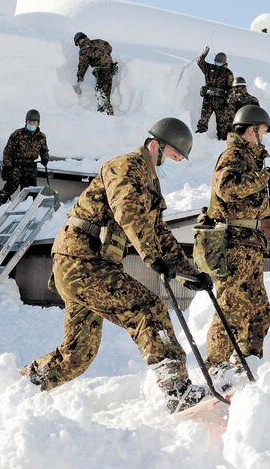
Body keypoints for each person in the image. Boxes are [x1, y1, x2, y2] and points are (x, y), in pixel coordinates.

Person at [20, 117, 212, 414]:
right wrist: (151, 256)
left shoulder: (150, 184)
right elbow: (127, 211)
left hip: (87, 265)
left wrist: (188, 274)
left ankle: (19, 387)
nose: (173, 164)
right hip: (81, 260)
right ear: (155, 145)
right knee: (148, 308)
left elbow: (158, 231)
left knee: (76, 356)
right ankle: (177, 391)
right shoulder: (124, 167)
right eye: (173, 156)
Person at [202, 105, 270, 387]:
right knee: (231, 310)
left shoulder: (250, 158)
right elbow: (226, 188)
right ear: (250, 130)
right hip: (234, 244)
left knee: (259, 311)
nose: (263, 137)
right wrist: (263, 177)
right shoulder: (234, 155)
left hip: (249, 245)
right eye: (262, 132)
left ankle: (246, 364)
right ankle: (216, 370)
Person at [0, 109, 49, 214]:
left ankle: (27, 212)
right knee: (10, 187)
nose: (31, 124)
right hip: (16, 166)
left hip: (30, 167)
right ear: (25, 122)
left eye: (34, 122)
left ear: (38, 123)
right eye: (29, 122)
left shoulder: (41, 137)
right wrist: (7, 166)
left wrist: (45, 158)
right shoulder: (17, 134)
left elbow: (44, 150)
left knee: (30, 191)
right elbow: (7, 151)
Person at [73, 32, 118, 116]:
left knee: (101, 94)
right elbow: (109, 48)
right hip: (111, 69)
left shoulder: (84, 50)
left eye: (77, 43)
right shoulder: (98, 41)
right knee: (105, 94)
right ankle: (107, 116)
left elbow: (83, 65)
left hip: (102, 71)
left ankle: (105, 116)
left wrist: (80, 77)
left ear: (80, 40)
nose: (78, 45)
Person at [195, 46, 233, 140]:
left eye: (219, 62)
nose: (217, 63)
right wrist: (204, 53)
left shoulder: (228, 73)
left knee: (222, 122)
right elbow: (199, 61)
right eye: (216, 61)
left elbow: (230, 89)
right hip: (208, 98)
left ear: (224, 62)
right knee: (203, 119)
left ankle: (222, 139)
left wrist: (227, 102)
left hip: (220, 101)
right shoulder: (209, 68)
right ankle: (200, 137)